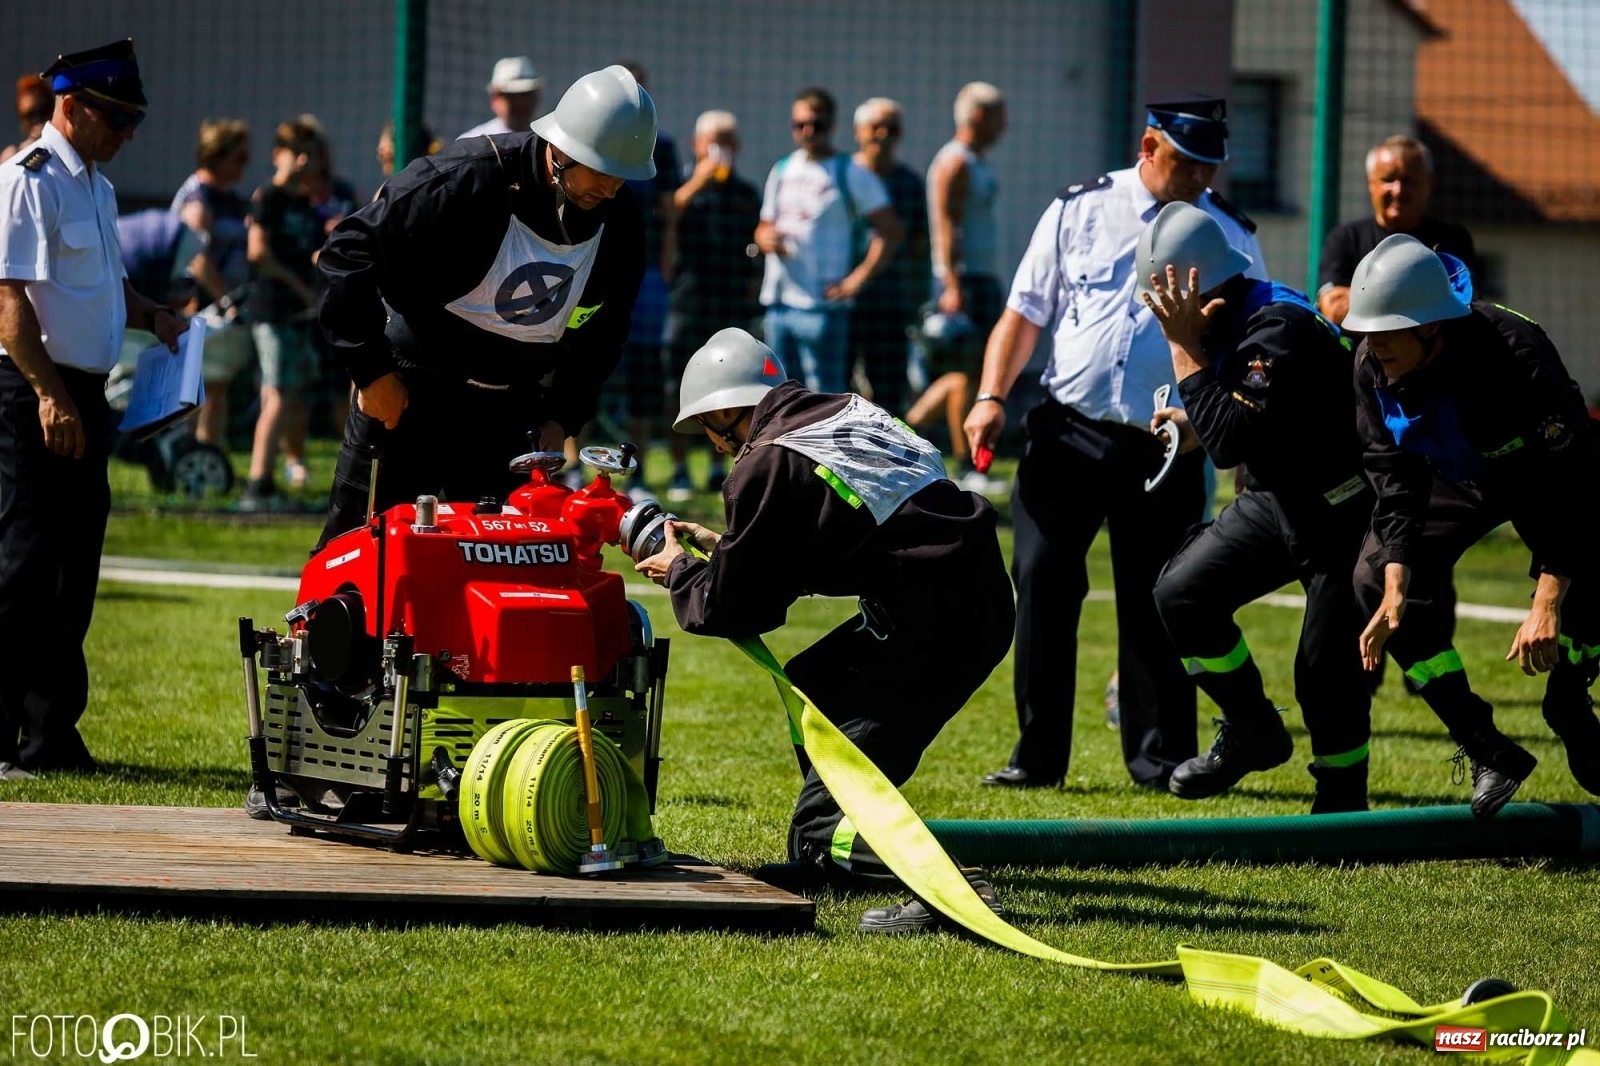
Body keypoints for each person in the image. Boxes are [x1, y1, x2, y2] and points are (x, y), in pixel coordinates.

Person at [634, 328, 1014, 932]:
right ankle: (820, 860)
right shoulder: (844, 412)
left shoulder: (765, 460)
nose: (711, 440)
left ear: (727, 410)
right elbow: (870, 530)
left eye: (707, 425)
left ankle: (944, 887)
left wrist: (679, 570)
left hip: (934, 628)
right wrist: (728, 547)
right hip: (963, 603)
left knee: (826, 819)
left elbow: (734, 609)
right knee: (816, 681)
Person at [965, 97, 1266, 790]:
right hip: (1068, 432)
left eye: (1209, 167)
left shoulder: (1230, 232)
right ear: (1148, 146)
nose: (1199, 178)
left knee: (1160, 596)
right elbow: (1025, 310)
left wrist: (1238, 438)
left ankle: (1159, 760)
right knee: (1041, 583)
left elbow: (1250, 342)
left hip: (1171, 445)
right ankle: (1036, 757)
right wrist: (990, 395)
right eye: (1186, 163)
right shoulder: (1080, 207)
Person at [313, 65, 652, 550]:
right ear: (562, 148)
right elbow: (346, 254)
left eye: (622, 178)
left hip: (512, 415)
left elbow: (605, 328)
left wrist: (563, 416)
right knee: (364, 558)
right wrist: (371, 372)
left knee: (508, 568)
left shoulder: (620, 220)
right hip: (407, 397)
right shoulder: (465, 178)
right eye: (599, 172)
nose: (610, 190)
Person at [1347, 235, 1600, 818]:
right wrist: (1395, 576)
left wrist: (1546, 597)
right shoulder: (1370, 363)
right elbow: (1393, 476)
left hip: (1544, 475)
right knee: (1373, 582)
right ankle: (1487, 748)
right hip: (1457, 475)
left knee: (1585, 586)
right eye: (1365, 330)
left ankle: (1569, 704)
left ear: (1433, 327)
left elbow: (1574, 484)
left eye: (1386, 331)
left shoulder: (1515, 353)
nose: (1370, 344)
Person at [1139, 202, 1372, 813]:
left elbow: (1231, 443)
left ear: (1198, 289)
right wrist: (1195, 421)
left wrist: (1181, 344)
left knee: (1324, 666)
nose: (1163, 316)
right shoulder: (1231, 314)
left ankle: (1343, 799)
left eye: (1166, 303)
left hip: (1342, 505)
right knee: (1180, 592)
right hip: (1278, 494)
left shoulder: (1276, 324)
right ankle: (1252, 727)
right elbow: (1252, 420)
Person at [0, 39, 185, 778]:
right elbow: (8, 303)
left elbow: (105, 292)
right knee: (21, 568)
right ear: (70, 105)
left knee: (73, 572)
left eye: (132, 119)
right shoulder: (29, 180)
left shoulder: (98, 188)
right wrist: (47, 394)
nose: (126, 133)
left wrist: (156, 315)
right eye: (115, 117)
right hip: (33, 391)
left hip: (83, 395)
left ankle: (51, 736)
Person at [754, 87, 901, 396]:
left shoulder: (850, 172)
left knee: (823, 395)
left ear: (831, 126)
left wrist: (856, 280)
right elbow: (764, 225)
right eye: (800, 125)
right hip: (780, 302)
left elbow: (890, 230)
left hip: (824, 303)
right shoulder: (782, 169)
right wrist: (765, 238)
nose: (808, 132)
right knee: (778, 393)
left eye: (816, 125)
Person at [660, 109, 762, 501]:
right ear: (697, 144)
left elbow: (757, 246)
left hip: (731, 302)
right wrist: (697, 183)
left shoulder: (745, 194)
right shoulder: (683, 189)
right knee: (678, 383)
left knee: (737, 387)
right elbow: (666, 216)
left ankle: (727, 466)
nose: (720, 149)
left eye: (727, 140)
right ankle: (680, 468)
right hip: (688, 300)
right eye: (712, 140)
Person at [916, 81, 1007, 493]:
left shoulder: (976, 161)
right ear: (980, 116)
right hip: (964, 280)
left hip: (980, 278)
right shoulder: (954, 162)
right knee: (966, 374)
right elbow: (946, 225)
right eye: (1000, 115)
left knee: (971, 374)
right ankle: (967, 465)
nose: (1005, 125)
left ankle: (908, 423)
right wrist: (952, 284)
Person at [240, 118, 323, 511]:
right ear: (278, 155)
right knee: (275, 395)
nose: (304, 160)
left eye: (309, 152)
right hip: (272, 309)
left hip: (298, 313)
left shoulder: (303, 202)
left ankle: (286, 472)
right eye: (297, 153)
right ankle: (258, 484)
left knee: (294, 394)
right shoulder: (268, 198)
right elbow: (258, 252)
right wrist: (298, 285)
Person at [1317, 135, 1478, 328]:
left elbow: (1462, 308)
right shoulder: (1344, 238)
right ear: (1371, 184)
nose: (1398, 190)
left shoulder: (1452, 240)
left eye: (1409, 181)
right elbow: (1334, 309)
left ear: (1429, 183)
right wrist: (1423, 300)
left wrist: (1365, 301)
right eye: (1388, 179)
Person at [171, 118, 253, 452]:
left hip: (223, 305)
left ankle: (210, 453)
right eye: (239, 158)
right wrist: (224, 300)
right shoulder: (198, 198)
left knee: (216, 383)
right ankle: (185, 452)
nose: (244, 166)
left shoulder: (230, 198)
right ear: (217, 157)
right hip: (201, 303)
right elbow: (195, 258)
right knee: (192, 384)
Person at [847, 96, 927, 421]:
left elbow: (920, 243)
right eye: (874, 127)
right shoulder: (843, 175)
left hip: (890, 302)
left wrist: (918, 295)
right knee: (836, 388)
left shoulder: (908, 183)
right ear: (858, 131)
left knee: (889, 391)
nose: (882, 134)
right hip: (844, 299)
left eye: (890, 127)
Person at [459, 56, 541, 140]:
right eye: (511, 96)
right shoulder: (473, 143)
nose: (520, 102)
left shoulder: (549, 139)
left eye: (526, 94)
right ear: (494, 99)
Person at [0, 76, 52, 164]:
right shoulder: (12, 156)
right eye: (29, 115)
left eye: (43, 111)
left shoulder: (68, 150)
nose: (37, 119)